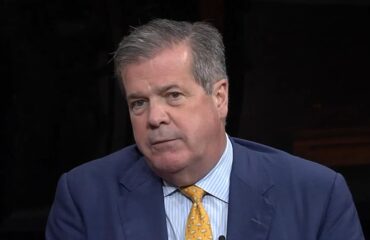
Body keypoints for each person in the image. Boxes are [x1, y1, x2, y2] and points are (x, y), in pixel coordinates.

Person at [45, 19, 364, 240]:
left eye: (173, 95)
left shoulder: (317, 194)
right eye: (139, 103)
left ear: (219, 97)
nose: (155, 118)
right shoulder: (84, 197)